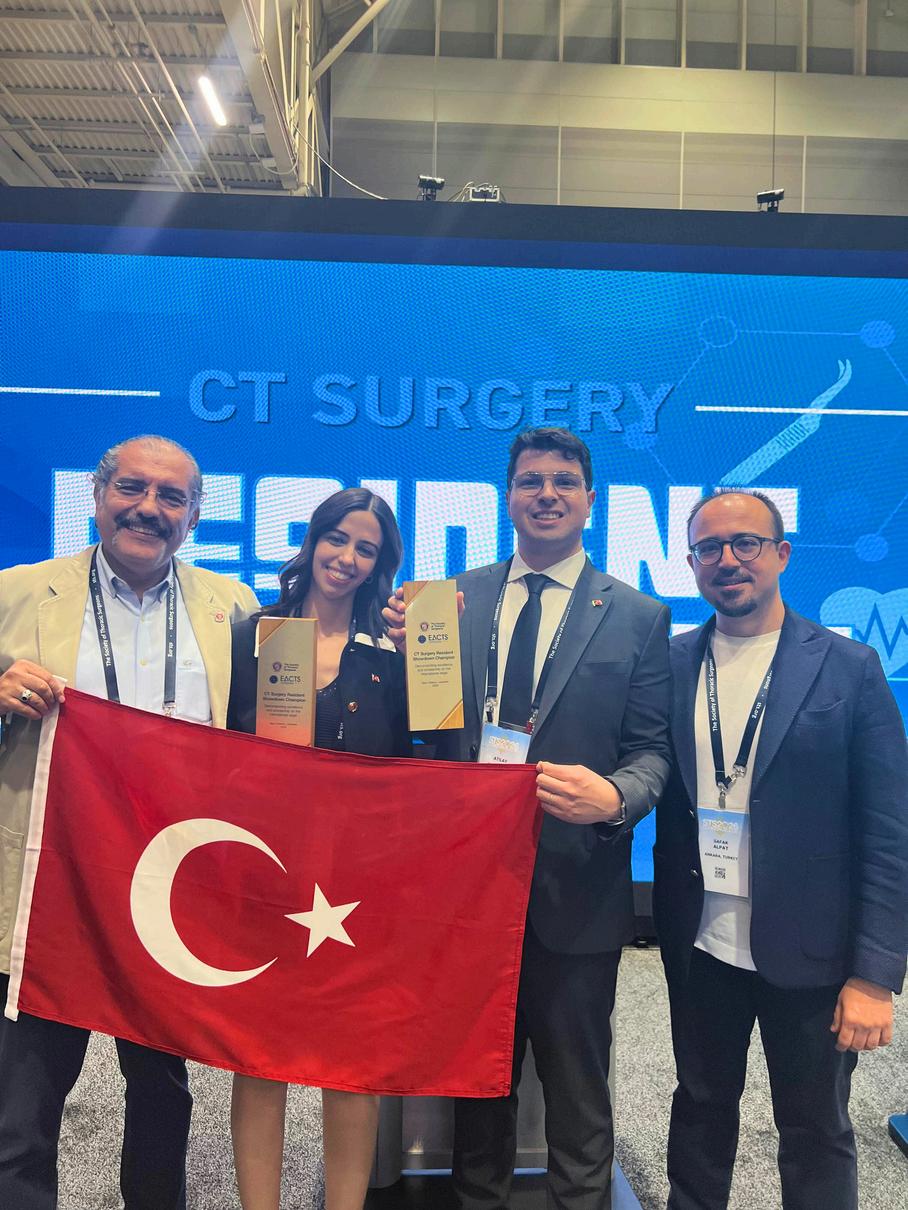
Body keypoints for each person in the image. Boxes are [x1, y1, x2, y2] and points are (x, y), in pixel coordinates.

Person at [385, 427, 672, 1210]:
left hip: (575, 884)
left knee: (578, 1083)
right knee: (478, 1079)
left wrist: (618, 797)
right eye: (531, 481)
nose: (547, 494)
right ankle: (478, 1199)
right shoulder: (447, 601)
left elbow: (652, 751)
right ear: (507, 497)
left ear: (589, 499)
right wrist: (397, 657)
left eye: (564, 481)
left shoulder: (640, 615)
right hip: (467, 887)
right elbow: (423, 732)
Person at [0, 434, 259, 1210]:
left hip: (169, 892)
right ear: (98, 495)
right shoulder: (16, 593)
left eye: (171, 497)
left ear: (195, 516)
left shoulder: (235, 609)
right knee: (22, 1106)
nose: (149, 508)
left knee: (161, 1099)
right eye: (132, 489)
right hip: (52, 887)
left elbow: (274, 730)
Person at [653, 488, 908, 1210]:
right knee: (699, 1106)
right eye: (709, 547)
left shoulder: (850, 667)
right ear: (692, 563)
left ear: (782, 554)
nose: (727, 560)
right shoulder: (669, 663)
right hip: (701, 941)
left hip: (814, 950)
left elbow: (889, 833)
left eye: (746, 543)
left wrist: (875, 976)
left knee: (814, 1126)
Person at [227, 487, 410, 1210]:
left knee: (352, 1065)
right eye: (338, 539)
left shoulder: (391, 653)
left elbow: (426, 762)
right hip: (266, 874)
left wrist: (436, 656)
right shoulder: (254, 633)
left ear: (379, 564)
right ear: (312, 541)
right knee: (258, 1058)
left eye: (366, 549)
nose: (347, 558)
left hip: (359, 886)